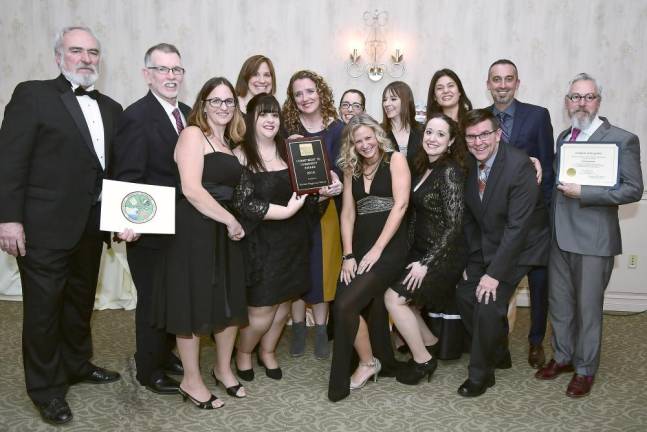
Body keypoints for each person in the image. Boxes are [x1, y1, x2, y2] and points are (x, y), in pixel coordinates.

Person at [153, 77, 305, 409]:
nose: (223, 107)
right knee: (193, 305)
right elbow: (192, 190)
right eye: (216, 101)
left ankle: (223, 368)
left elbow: (246, 191)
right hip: (195, 230)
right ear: (202, 104)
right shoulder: (193, 135)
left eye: (228, 102)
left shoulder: (227, 141)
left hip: (226, 233)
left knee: (227, 302)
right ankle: (191, 381)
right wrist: (231, 220)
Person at [0, 26, 122, 425]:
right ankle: (46, 389)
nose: (86, 58)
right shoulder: (33, 95)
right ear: (58, 57)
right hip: (42, 227)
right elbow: (11, 162)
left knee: (79, 303)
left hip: (91, 226)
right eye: (76, 51)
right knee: (42, 311)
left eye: (92, 52)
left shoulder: (111, 108)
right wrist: (9, 219)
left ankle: (76, 364)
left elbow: (116, 172)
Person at [535, 73, 643, 398]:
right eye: (575, 97)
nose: (581, 103)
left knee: (588, 308)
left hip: (594, 241)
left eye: (588, 96)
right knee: (561, 305)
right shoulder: (564, 137)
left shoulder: (622, 139)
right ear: (567, 102)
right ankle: (564, 357)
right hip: (559, 237)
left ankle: (585, 369)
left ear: (599, 100)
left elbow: (633, 189)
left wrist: (587, 191)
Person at [111, 43, 189, 395]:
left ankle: (165, 353)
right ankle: (148, 369)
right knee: (153, 299)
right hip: (148, 230)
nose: (170, 76)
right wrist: (129, 220)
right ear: (147, 75)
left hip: (184, 228)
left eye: (176, 70)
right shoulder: (135, 116)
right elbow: (127, 176)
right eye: (162, 69)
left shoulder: (189, 113)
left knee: (174, 295)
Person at [456, 109, 549, 397]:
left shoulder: (519, 166)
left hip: (522, 246)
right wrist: (474, 263)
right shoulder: (469, 164)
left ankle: (481, 375)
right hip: (490, 244)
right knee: (463, 294)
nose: (478, 142)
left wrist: (494, 274)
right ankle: (500, 352)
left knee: (488, 301)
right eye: (471, 136)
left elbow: (517, 228)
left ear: (498, 134)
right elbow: (471, 218)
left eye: (484, 134)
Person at [233, 93, 324, 381]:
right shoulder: (240, 154)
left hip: (294, 242)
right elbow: (243, 203)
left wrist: (322, 194)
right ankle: (243, 353)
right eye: (263, 114)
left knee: (284, 305)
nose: (270, 120)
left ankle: (268, 352)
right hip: (262, 245)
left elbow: (305, 198)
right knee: (261, 310)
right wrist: (284, 212)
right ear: (251, 119)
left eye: (274, 115)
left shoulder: (290, 152)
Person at [329, 113, 410, 402]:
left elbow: (400, 206)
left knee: (346, 304)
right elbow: (348, 212)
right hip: (359, 247)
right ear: (351, 144)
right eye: (357, 140)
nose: (364, 145)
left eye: (368, 137)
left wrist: (377, 249)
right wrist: (348, 254)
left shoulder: (395, 160)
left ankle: (367, 364)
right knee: (343, 303)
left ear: (378, 135)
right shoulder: (351, 168)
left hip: (390, 247)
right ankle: (369, 359)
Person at [385, 113, 467, 385]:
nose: (432, 138)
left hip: (443, 256)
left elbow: (454, 226)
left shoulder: (450, 171)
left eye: (441, 134)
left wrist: (426, 263)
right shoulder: (422, 166)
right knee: (404, 300)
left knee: (394, 299)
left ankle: (424, 361)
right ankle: (430, 341)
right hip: (419, 250)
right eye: (429, 132)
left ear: (452, 141)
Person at [485, 59, 555, 369]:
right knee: (499, 286)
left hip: (536, 222)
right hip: (499, 224)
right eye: (496, 79)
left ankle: (536, 341)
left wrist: (550, 215)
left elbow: (549, 168)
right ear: (488, 84)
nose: (502, 85)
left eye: (508, 79)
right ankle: (499, 343)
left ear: (517, 82)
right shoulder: (480, 119)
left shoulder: (538, 116)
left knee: (540, 287)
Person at [282, 70, 344, 359]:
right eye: (298, 94)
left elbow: (347, 167)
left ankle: (320, 329)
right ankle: (296, 328)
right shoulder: (285, 128)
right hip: (293, 209)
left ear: (321, 93)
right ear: (292, 99)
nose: (305, 98)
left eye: (310, 91)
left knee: (322, 270)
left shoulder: (338, 129)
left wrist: (338, 182)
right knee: (297, 268)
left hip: (326, 209)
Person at [381, 81, 421, 167]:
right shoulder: (378, 131)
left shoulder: (422, 130)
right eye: (384, 100)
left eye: (393, 99)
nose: (386, 104)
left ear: (406, 101)